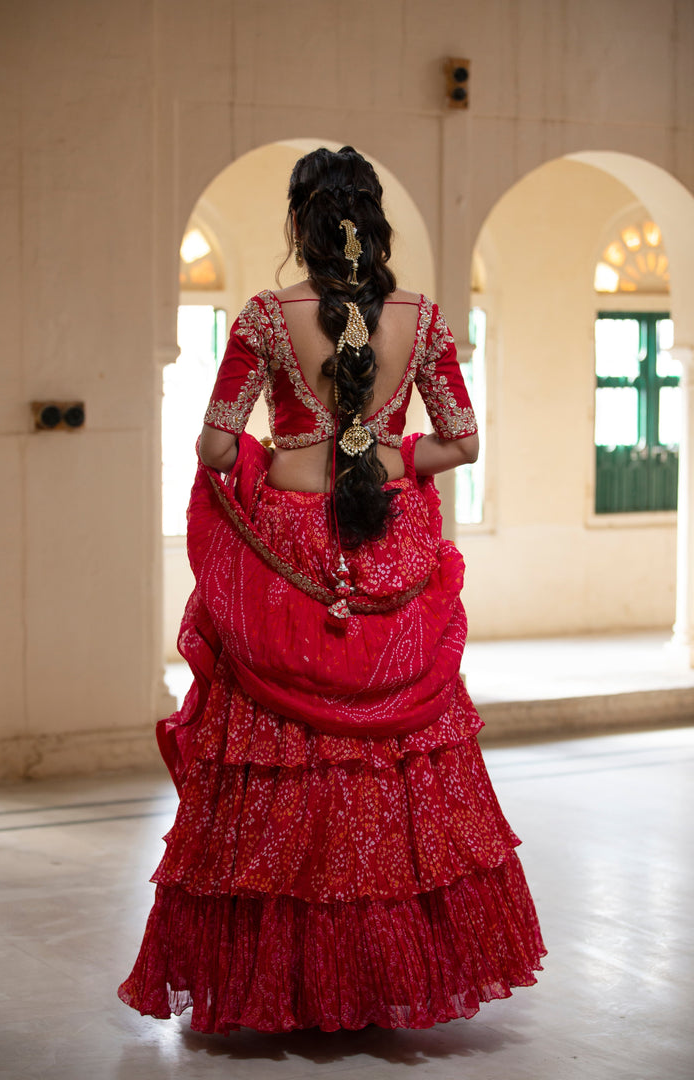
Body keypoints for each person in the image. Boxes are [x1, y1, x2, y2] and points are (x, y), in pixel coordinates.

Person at [118, 146, 545, 1035]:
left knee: (283, 754)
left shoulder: (268, 318)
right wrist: (393, 455)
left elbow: (213, 446)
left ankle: (289, 983)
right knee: (391, 766)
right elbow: (463, 441)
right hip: (388, 541)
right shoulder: (421, 319)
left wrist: (270, 459)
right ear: (374, 218)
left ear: (299, 221)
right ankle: (382, 977)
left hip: (287, 557)